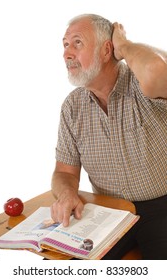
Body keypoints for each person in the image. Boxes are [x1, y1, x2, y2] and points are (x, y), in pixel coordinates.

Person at [50, 14, 167, 259]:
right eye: (65, 44)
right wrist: (67, 193)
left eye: (77, 43)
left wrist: (123, 45)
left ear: (106, 50)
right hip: (108, 212)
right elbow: (64, 173)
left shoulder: (142, 84)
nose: (66, 54)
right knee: (58, 263)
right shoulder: (72, 107)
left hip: (161, 209)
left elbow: (158, 69)